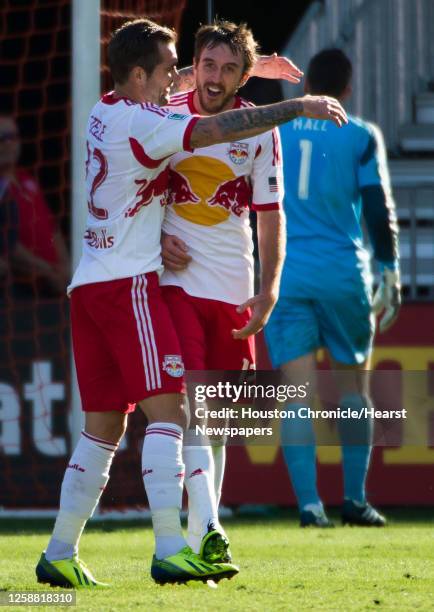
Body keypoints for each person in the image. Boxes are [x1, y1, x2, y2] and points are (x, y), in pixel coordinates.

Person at [35, 19, 347, 588]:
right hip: (133, 285)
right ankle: (173, 545)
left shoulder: (105, 108)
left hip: (90, 284)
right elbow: (215, 128)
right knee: (173, 412)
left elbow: (171, 87)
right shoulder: (153, 120)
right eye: (169, 70)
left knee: (103, 427)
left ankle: (58, 551)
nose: (175, 80)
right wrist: (297, 106)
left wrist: (251, 71)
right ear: (141, 76)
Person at [160, 20, 292, 555]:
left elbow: (270, 214)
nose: (215, 78)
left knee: (219, 420)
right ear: (194, 65)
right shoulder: (163, 112)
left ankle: (202, 532)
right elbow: (129, 186)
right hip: (173, 285)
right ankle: (206, 531)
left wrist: (270, 290)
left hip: (233, 289)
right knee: (189, 405)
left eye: (229, 68)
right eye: (207, 65)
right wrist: (154, 242)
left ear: (242, 77)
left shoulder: (259, 128)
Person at [265, 49, 400, 527]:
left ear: (303, 89)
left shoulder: (276, 131)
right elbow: (376, 204)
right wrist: (389, 266)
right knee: (352, 390)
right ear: (347, 88)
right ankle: (355, 500)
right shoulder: (360, 134)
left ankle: (308, 505)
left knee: (296, 395)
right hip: (343, 274)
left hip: (287, 274)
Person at [0, 114, 69, 298]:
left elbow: (53, 229)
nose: (9, 144)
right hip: (26, 293)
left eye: (13, 137)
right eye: (2, 138)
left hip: (57, 286)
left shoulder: (27, 179)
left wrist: (66, 267)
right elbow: (9, 247)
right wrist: (49, 271)